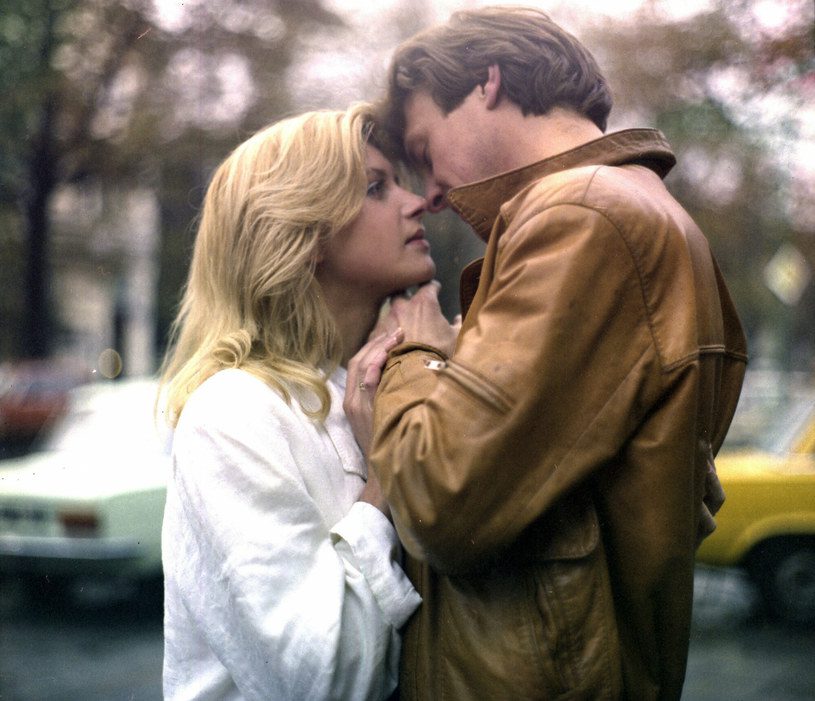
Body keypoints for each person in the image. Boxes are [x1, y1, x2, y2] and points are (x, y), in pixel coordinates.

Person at [347, 6, 748, 700]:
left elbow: (442, 498)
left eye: (425, 148)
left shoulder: (581, 216)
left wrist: (416, 353)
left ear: (488, 82)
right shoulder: (635, 210)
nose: (432, 193)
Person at [158, 104, 435, 700]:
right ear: (305, 234)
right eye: (376, 188)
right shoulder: (232, 410)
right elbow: (326, 679)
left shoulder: (360, 385)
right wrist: (384, 475)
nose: (416, 203)